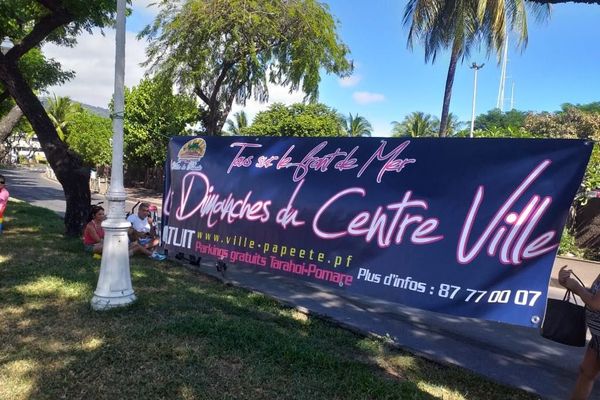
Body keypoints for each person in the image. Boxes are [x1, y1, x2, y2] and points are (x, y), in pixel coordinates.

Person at [559, 265, 600, 400]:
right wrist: (567, 282)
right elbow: (592, 295)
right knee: (586, 373)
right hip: (597, 337)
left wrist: (576, 287)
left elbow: (596, 303)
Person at [83, 205, 166, 260]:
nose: (102, 216)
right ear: (94, 216)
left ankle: (152, 255)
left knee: (135, 246)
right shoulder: (90, 226)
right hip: (92, 246)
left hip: (105, 244)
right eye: (99, 214)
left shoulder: (103, 223)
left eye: (103, 214)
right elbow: (98, 240)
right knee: (110, 246)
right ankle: (123, 254)